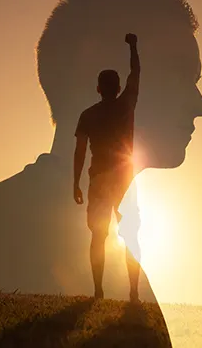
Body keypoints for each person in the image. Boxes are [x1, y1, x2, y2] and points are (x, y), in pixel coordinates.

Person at [0, 0, 202, 305]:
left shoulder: (109, 251)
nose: (200, 106)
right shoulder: (3, 235)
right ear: (99, 69)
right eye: (180, 74)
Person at [73, 32, 143, 301]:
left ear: (99, 88)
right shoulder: (127, 105)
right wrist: (133, 46)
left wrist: (75, 183)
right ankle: (134, 293)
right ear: (116, 87)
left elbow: (79, 152)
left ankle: (98, 291)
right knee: (131, 235)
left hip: (100, 178)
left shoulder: (88, 115)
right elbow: (136, 72)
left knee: (98, 235)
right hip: (125, 178)